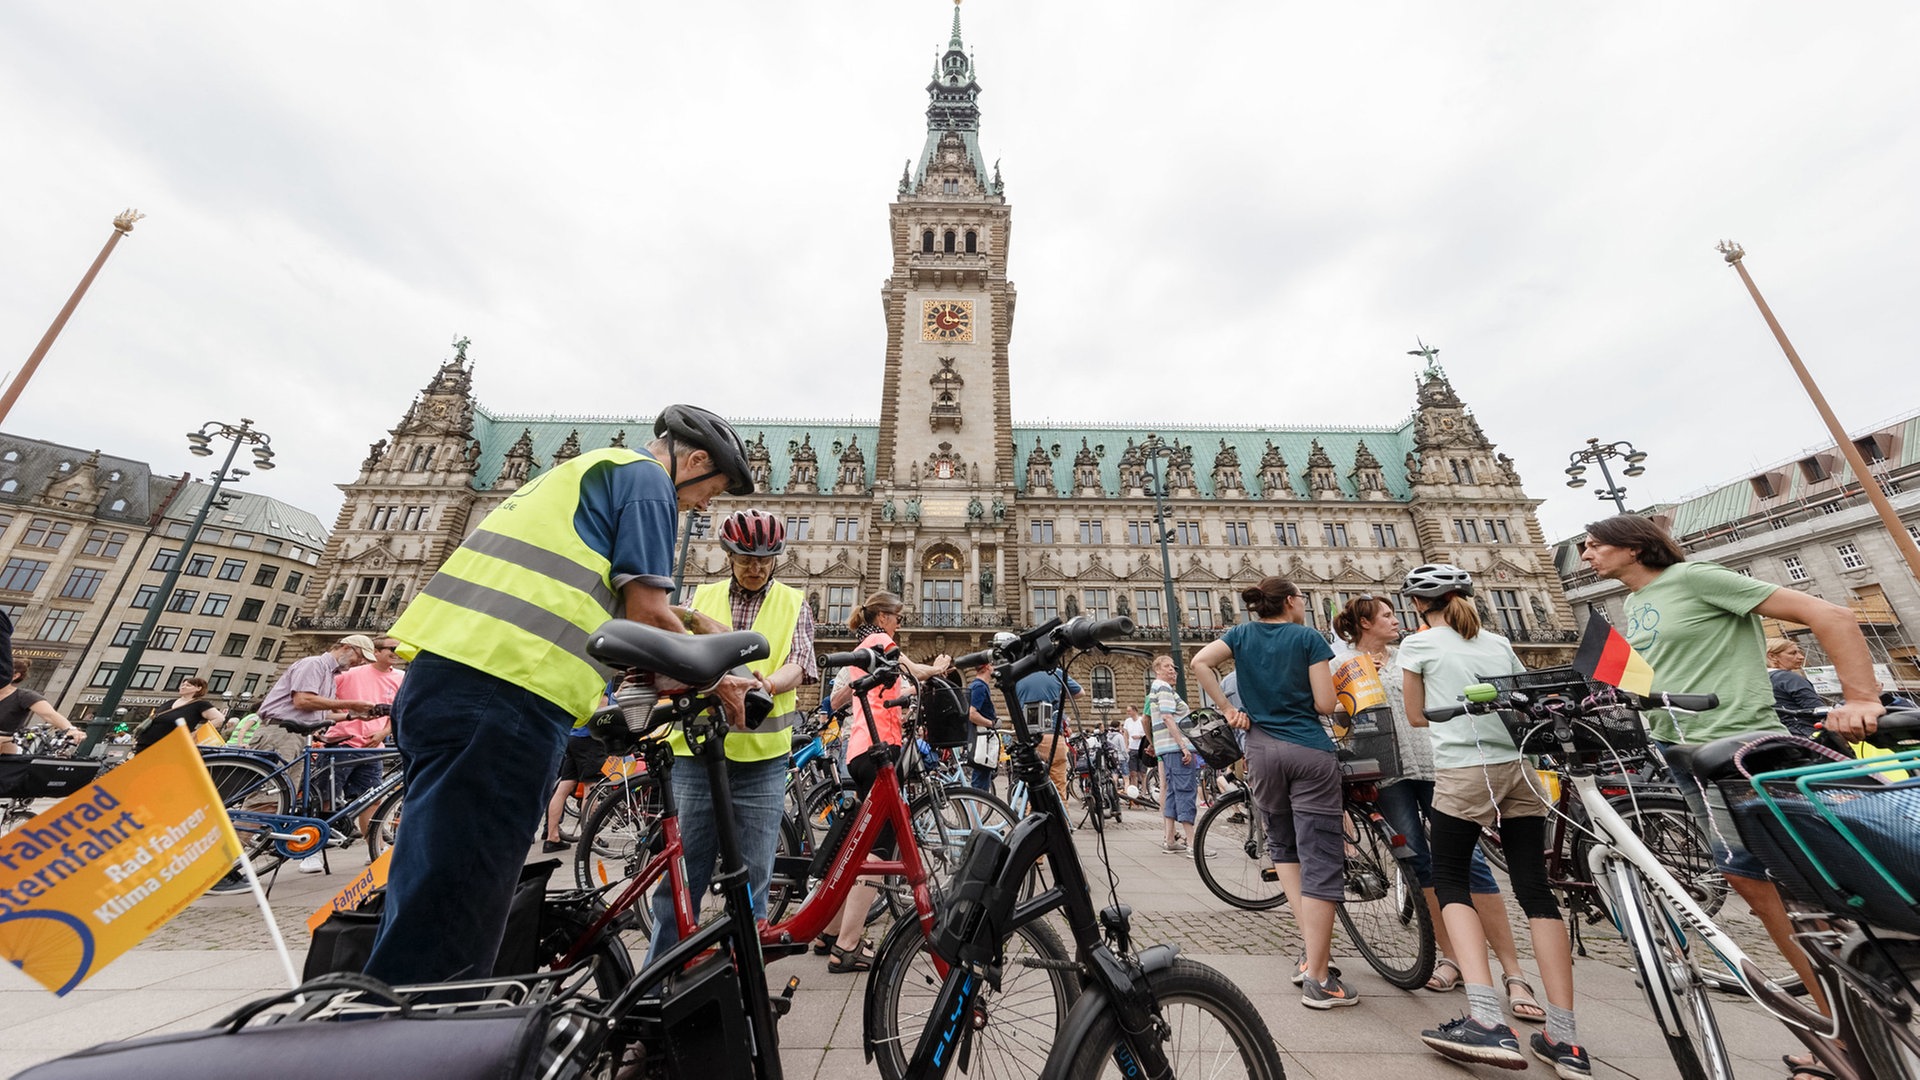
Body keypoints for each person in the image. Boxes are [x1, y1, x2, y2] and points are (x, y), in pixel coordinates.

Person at [364, 404, 756, 985]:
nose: (704, 506)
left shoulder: (590, 470)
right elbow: (644, 612)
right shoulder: (649, 482)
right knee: (464, 896)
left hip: (450, 680)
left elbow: (594, 593)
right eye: (711, 489)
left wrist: (693, 620)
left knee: (431, 880)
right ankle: (419, 1034)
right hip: (509, 691)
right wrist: (719, 680)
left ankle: (387, 1013)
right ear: (693, 460)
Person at [1580, 514, 1884, 1080]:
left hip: (1737, 747)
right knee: (1754, 883)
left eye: (1596, 544)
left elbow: (1831, 614)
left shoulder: (1697, 578)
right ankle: (1838, 1020)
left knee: (1776, 882)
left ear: (1636, 545)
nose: (1586, 554)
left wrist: (1861, 697)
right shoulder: (1635, 604)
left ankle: (1851, 1024)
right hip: (1681, 751)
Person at [1397, 564, 1582, 1075]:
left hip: (1463, 771)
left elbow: (1415, 716)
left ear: (1419, 605)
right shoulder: (1500, 643)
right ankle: (1564, 1038)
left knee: (1451, 879)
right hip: (1519, 767)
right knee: (1535, 890)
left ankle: (1484, 1020)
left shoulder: (1418, 644)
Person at [1329, 596, 1542, 1019]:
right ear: (1365, 622)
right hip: (1386, 774)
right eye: (1387, 615)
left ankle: (1513, 971)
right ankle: (1451, 957)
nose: (1397, 620)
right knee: (1419, 865)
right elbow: (1337, 720)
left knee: (1474, 863)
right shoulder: (1342, 663)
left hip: (1437, 762)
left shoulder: (1415, 649)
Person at [647, 508, 817, 958]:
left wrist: (767, 684)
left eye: (764, 559)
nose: (755, 567)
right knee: (683, 880)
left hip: (763, 759)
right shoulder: (699, 599)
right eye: (745, 558)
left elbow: (800, 662)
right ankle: (659, 976)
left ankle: (744, 983)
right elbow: (676, 658)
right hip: (698, 755)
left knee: (754, 881)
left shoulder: (796, 602)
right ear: (729, 554)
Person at [1191, 578, 1349, 1010]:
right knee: (1321, 855)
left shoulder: (1241, 634)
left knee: (1284, 849)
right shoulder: (1307, 637)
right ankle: (1319, 977)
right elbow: (1323, 704)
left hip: (1260, 751)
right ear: (1293, 601)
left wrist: (1228, 708)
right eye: (1303, 598)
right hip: (1308, 750)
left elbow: (1200, 661)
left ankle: (1311, 952)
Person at [820, 591, 951, 972]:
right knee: (880, 846)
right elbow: (914, 671)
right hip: (880, 750)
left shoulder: (866, 646)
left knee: (858, 845)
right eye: (897, 616)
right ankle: (845, 945)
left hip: (860, 749)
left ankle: (828, 929)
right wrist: (938, 666)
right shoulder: (880, 640)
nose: (900, 622)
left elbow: (892, 690)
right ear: (882, 616)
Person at [300, 635, 404, 871]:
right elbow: (321, 698)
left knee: (372, 799)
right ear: (376, 652)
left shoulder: (400, 678)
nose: (397, 654)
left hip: (373, 747)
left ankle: (373, 847)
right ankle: (311, 852)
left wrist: (382, 733)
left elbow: (396, 712)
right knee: (324, 799)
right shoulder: (348, 674)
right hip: (341, 743)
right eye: (392, 649)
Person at [254, 637, 380, 763]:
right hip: (281, 733)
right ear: (346, 647)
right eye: (360, 656)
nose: (361, 662)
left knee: (287, 782)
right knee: (274, 781)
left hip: (295, 735)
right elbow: (303, 701)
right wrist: (352, 704)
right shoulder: (314, 664)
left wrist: (353, 716)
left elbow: (320, 715)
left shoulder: (330, 674)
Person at [1145, 654, 1204, 854]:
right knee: (1185, 792)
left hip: (1166, 748)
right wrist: (1184, 747)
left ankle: (1170, 839)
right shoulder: (1163, 687)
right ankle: (1192, 843)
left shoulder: (1155, 688)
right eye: (1167, 666)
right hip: (1175, 747)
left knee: (1171, 792)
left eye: (1173, 667)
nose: (1172, 670)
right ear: (1157, 670)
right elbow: (1168, 717)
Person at [1016, 662, 1082, 798]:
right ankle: (1061, 818)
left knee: (1034, 792)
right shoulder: (1055, 674)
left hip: (1027, 739)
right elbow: (1080, 692)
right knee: (1059, 790)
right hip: (1052, 736)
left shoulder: (1018, 676)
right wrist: (1059, 696)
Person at [0, 662, 83, 754]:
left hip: (6, 745)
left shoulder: (23, 696)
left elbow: (50, 715)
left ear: (15, 676)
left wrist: (71, 729)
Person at [133, 676, 225, 755]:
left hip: (169, 746)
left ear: (199, 688)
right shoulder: (170, 702)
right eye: (183, 684)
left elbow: (219, 718)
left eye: (188, 685)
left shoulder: (200, 704)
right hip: (145, 743)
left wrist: (195, 733)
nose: (183, 687)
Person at [1765, 639, 1826, 738]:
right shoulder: (1789, 678)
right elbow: (1818, 710)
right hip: (1807, 735)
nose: (1801, 657)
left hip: (1775, 737)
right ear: (1772, 656)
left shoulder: (1757, 681)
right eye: (1792, 653)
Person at [964, 658, 1000, 793]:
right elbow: (972, 714)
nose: (994, 667)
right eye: (991, 665)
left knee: (981, 781)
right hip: (982, 740)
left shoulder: (976, 686)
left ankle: (975, 813)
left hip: (979, 738)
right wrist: (992, 723)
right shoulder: (980, 687)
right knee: (980, 784)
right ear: (986, 667)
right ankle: (974, 814)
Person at [1121, 705, 1148, 793]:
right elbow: (1125, 734)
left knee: (1143, 772)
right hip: (1132, 749)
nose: (1128, 713)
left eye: (1129, 711)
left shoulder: (1142, 720)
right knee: (1133, 773)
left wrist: (1140, 737)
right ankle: (1135, 792)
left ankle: (1144, 790)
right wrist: (1126, 746)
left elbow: (1147, 733)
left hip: (1141, 748)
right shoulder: (1127, 721)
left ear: (1135, 711)